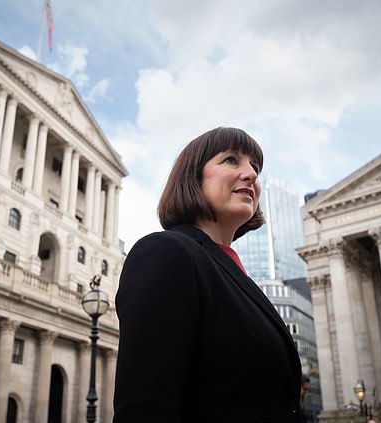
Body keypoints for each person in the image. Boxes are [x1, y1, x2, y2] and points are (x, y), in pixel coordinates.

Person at [113, 127, 302, 422]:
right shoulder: (167, 253)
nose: (251, 174)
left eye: (255, 166)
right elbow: (146, 409)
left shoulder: (234, 274)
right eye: (231, 160)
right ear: (193, 177)